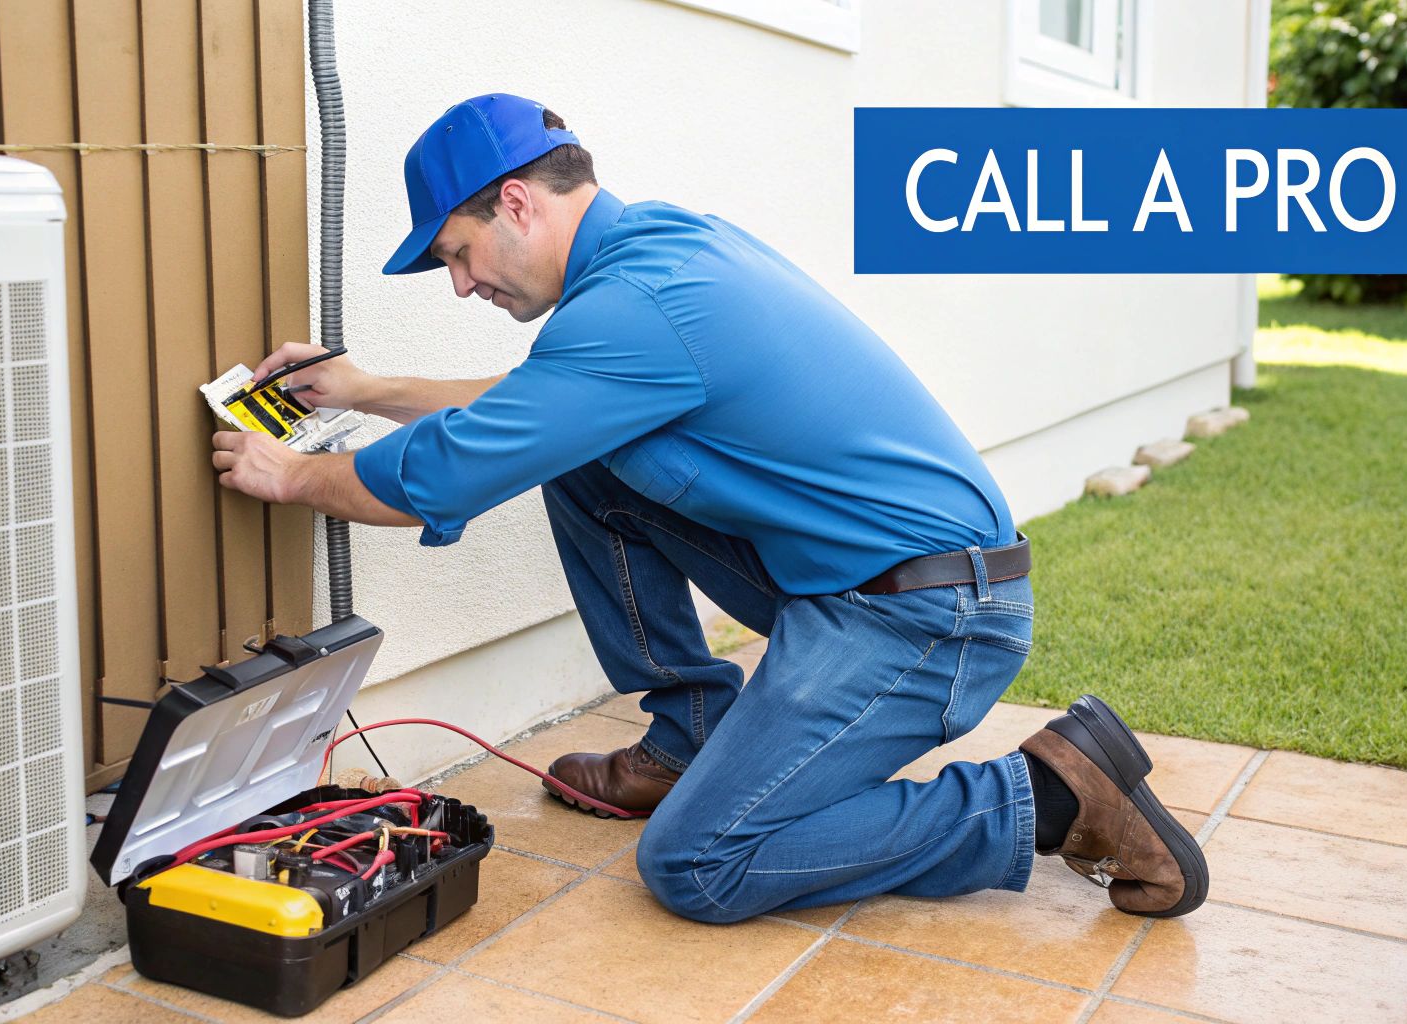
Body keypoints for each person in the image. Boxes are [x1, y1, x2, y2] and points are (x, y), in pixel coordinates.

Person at [210, 93, 1207, 923]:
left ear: (515, 203)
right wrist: (364, 388)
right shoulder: (652, 257)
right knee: (583, 460)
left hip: (926, 618)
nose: (461, 284)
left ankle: (1046, 794)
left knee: (699, 864)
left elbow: (444, 473)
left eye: (458, 253)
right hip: (870, 579)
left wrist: (291, 477)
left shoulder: (635, 306)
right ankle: (686, 736)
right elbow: (538, 408)